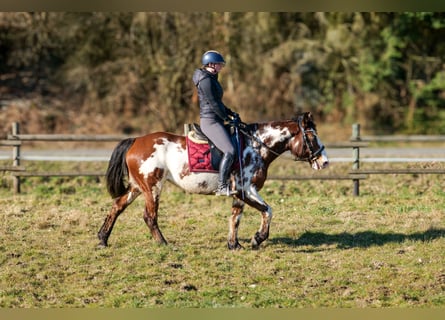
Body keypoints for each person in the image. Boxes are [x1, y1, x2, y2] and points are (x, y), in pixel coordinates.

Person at [192, 50, 240, 196]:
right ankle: (221, 186)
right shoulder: (205, 80)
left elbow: (218, 102)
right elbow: (213, 104)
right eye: (219, 64)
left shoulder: (211, 77)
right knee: (230, 150)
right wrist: (226, 118)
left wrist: (230, 113)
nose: (221, 67)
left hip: (216, 118)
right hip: (210, 121)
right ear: (211, 64)